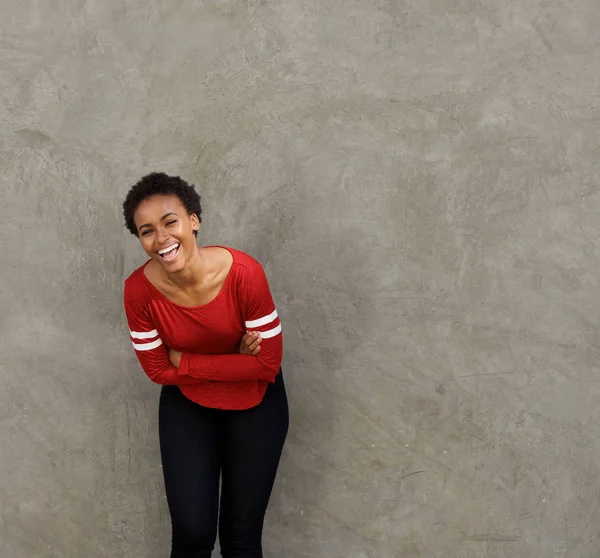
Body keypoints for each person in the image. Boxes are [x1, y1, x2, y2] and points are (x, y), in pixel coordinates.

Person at [122, 172, 289, 558]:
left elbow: (266, 365)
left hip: (257, 404)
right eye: (146, 231)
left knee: (241, 539)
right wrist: (235, 359)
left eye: (170, 222)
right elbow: (158, 371)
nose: (161, 239)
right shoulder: (138, 292)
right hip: (188, 406)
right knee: (192, 535)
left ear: (193, 220)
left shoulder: (245, 274)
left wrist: (183, 358)